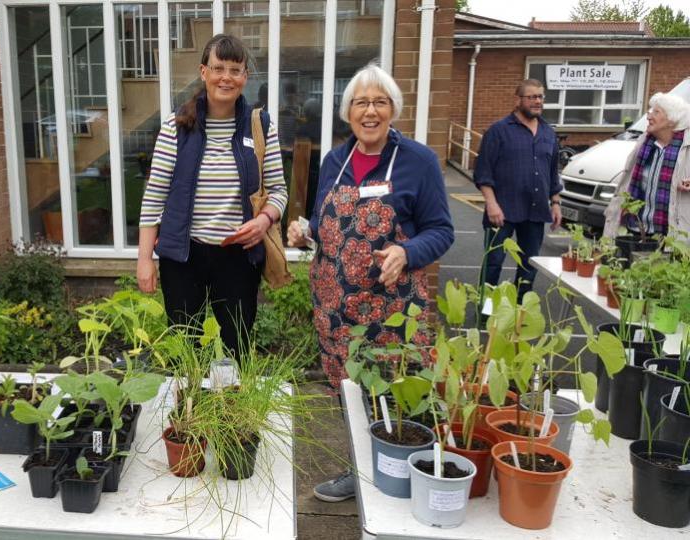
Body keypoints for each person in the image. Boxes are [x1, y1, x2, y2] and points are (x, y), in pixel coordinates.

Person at [286, 63, 454, 502]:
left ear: (393, 108)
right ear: (348, 112)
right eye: (361, 102)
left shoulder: (419, 161)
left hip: (393, 309)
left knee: (399, 392)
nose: (370, 111)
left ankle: (412, 475)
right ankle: (356, 469)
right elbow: (329, 228)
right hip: (336, 311)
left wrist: (406, 251)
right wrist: (305, 234)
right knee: (348, 392)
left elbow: (441, 230)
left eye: (380, 102)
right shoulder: (334, 161)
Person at [136, 34, 288, 359]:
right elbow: (154, 198)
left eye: (235, 70)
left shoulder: (260, 126)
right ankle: (191, 407)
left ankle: (237, 409)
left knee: (238, 346)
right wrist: (145, 259)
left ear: (245, 77)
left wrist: (264, 220)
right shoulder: (176, 127)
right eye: (219, 68)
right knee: (187, 353)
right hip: (184, 258)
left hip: (238, 258)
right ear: (203, 72)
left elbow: (278, 191)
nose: (226, 77)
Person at [474, 79, 562, 301]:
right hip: (502, 211)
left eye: (540, 97)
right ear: (518, 100)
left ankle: (520, 310)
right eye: (532, 97)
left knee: (529, 264)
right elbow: (483, 171)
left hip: (535, 211)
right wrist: (491, 204)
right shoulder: (498, 131)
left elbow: (552, 172)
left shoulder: (548, 133)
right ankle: (486, 310)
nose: (537, 101)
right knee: (493, 262)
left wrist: (556, 202)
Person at [603, 92, 690, 239]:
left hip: (671, 235)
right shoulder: (644, 143)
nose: (648, 116)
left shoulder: (685, 148)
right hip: (635, 230)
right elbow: (626, 185)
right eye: (650, 111)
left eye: (656, 112)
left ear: (671, 120)